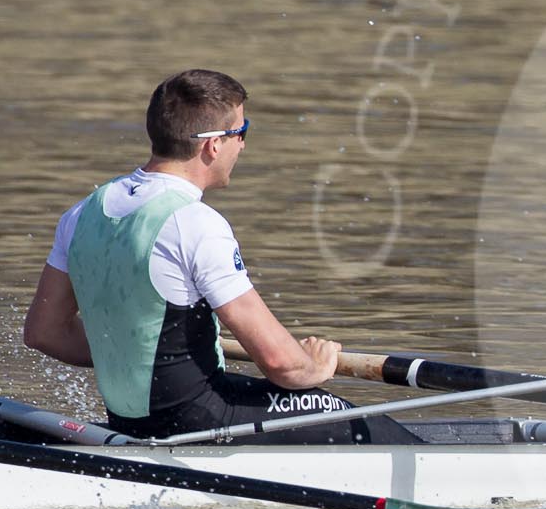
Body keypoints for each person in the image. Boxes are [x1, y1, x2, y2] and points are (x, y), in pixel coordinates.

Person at [22, 69, 414, 445]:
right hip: (200, 419)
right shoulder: (195, 224)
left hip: (129, 421)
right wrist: (315, 366)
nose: (242, 144)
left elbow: (45, 332)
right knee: (347, 418)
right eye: (241, 133)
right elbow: (281, 363)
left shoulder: (82, 213)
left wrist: (128, 351)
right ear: (213, 145)